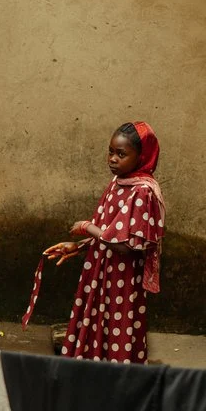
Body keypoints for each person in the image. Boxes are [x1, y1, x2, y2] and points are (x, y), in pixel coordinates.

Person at [39, 122, 166, 363]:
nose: (113, 159)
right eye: (110, 152)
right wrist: (78, 246)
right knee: (98, 326)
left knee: (118, 327)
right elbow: (110, 231)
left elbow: (126, 246)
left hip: (122, 280)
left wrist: (87, 226)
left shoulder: (142, 192)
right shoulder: (118, 184)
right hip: (100, 273)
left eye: (121, 154)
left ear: (142, 157)